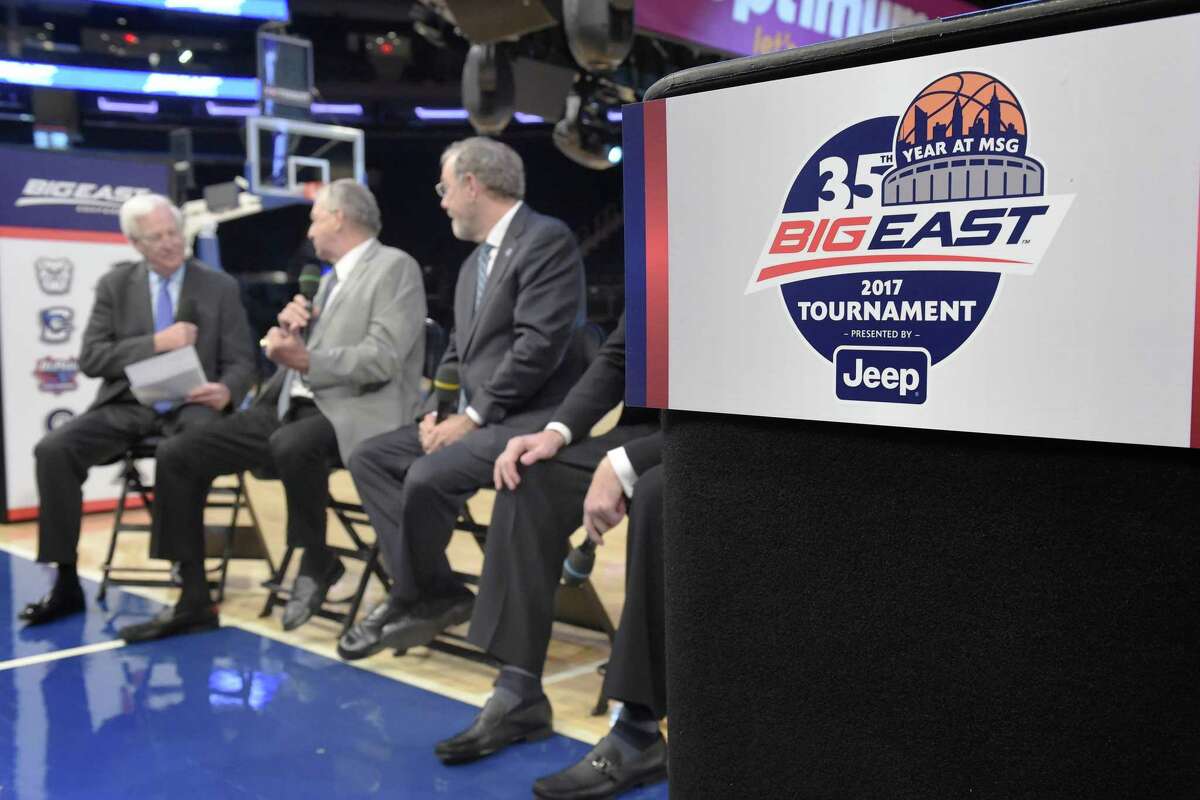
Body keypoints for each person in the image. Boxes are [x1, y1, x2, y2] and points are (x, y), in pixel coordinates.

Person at [118, 179, 426, 642]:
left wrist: (306, 358)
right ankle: (194, 598)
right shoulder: (325, 281)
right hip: (291, 405)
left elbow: (383, 357)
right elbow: (307, 358)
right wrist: (290, 338)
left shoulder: (394, 267)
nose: (311, 229)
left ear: (339, 218)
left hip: (355, 412)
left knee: (291, 443)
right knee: (178, 452)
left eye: (315, 218)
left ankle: (314, 559)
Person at [336, 136, 586, 661]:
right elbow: (455, 351)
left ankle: (409, 596)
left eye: (445, 188)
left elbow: (538, 347)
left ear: (472, 185)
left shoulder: (546, 239)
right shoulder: (474, 264)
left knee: (428, 476)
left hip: (530, 418)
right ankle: (437, 590)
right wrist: (438, 412)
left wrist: (471, 418)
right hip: (479, 416)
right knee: (372, 459)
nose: (442, 200)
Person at [431, 315, 668, 800]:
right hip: (646, 430)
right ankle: (518, 691)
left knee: (657, 496)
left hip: (728, 432)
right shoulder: (662, 249)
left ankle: (639, 732)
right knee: (528, 474)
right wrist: (555, 433)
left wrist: (625, 465)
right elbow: (619, 355)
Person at [19, 193, 255, 627]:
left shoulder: (218, 286)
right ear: (136, 243)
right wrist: (155, 345)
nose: (169, 243)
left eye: (173, 232)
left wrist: (226, 391)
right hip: (129, 404)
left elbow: (242, 361)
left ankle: (192, 587)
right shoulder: (116, 285)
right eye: (156, 237)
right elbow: (92, 359)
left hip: (193, 404)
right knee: (53, 450)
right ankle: (65, 581)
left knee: (181, 452)